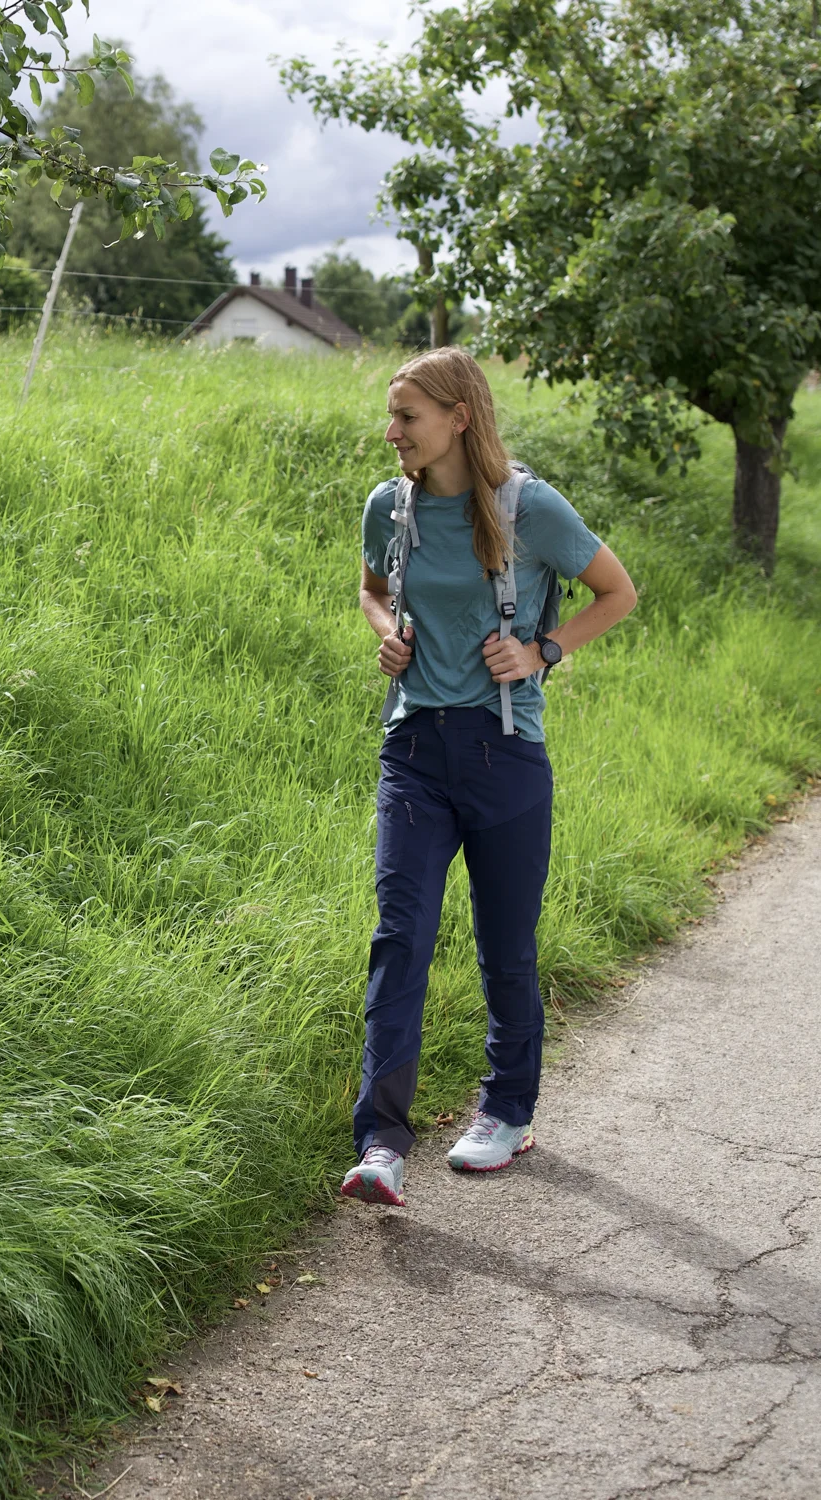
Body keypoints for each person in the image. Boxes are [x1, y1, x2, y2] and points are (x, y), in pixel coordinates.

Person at [340, 348, 638, 1208]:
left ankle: (507, 1110)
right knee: (402, 938)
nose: (392, 432)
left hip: (503, 756)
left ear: (458, 417)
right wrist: (386, 631)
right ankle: (381, 1144)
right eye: (392, 416)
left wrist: (542, 651)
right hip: (414, 751)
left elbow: (617, 592)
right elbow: (369, 590)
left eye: (408, 417)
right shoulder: (386, 508)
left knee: (505, 944)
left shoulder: (528, 508)